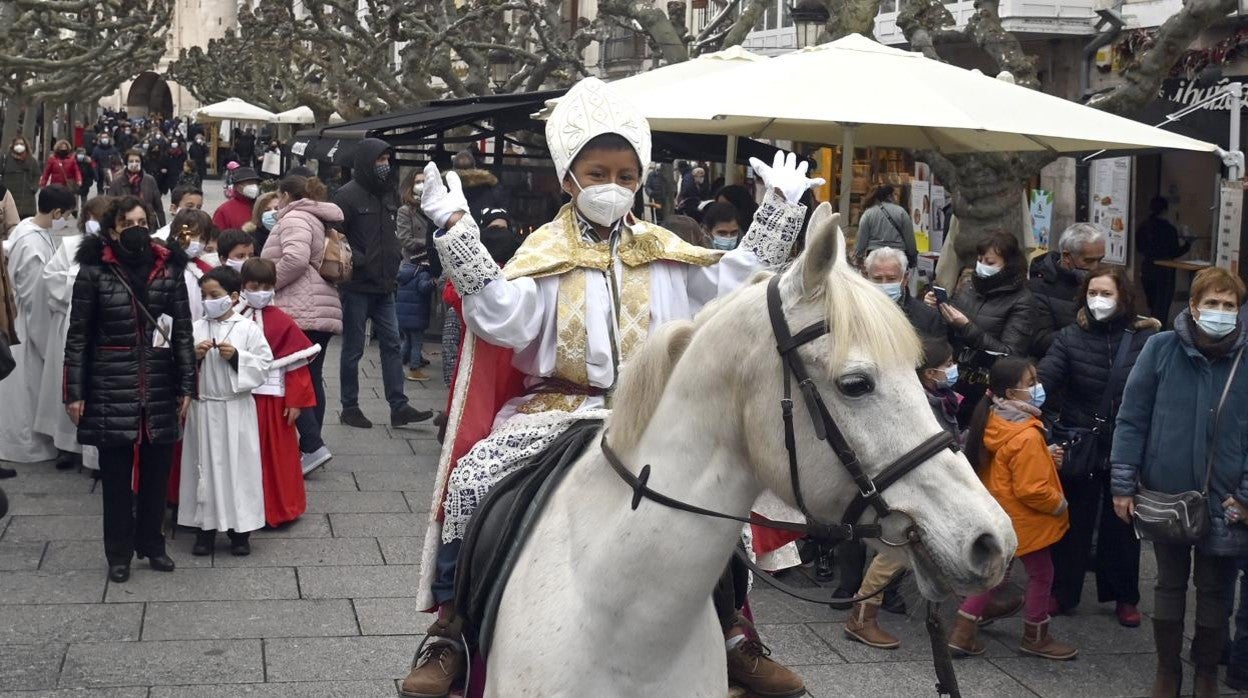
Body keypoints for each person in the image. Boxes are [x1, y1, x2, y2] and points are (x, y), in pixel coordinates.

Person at [401, 77, 816, 698]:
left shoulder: (667, 251)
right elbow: (498, 318)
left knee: (717, 496)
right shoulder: (543, 253)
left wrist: (779, 212)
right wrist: (458, 228)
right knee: (476, 478)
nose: (612, 187)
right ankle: (451, 628)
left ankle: (734, 631)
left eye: (626, 175)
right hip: (556, 409)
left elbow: (734, 291)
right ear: (569, 178)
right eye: (598, 172)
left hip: (654, 412)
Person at [1110, 266, 1248, 697]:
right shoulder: (1161, 348)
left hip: (1227, 500)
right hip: (1165, 494)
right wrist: (1122, 483)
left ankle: (1206, 670)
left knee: (1214, 591)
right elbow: (1131, 419)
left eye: (1229, 305)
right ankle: (1167, 670)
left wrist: (1246, 495)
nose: (1220, 312)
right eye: (1212, 303)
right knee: (1169, 584)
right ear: (1193, 306)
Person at [65, 195, 196, 583]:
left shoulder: (169, 270)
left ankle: (153, 544)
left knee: (157, 473)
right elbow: (78, 337)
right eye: (127, 223)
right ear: (112, 230)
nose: (136, 229)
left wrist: (187, 384)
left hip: (158, 382)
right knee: (117, 478)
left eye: (142, 221)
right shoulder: (94, 273)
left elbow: (183, 333)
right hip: (111, 383)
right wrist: (75, 392)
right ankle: (118, 553)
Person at [845, 336, 986, 649]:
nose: (953, 370)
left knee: (923, 550)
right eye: (947, 365)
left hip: (934, 488)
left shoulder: (944, 399)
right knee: (898, 553)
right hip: (918, 490)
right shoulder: (925, 404)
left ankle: (975, 601)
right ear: (928, 373)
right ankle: (862, 615)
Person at [1036, 265, 1157, 625]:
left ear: (1123, 298)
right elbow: (1047, 376)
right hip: (1082, 437)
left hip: (1127, 440)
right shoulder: (1070, 337)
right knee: (1074, 519)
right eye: (1092, 293)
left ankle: (1124, 596)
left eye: (1106, 294)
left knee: (1123, 520)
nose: (1098, 301)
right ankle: (1063, 592)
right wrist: (1022, 395)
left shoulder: (1143, 340)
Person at [946, 356, 1077, 661]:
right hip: (1024, 520)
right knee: (1042, 574)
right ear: (1008, 393)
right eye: (1030, 384)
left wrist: (1042, 455)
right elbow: (1031, 489)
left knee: (993, 573)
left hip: (999, 511)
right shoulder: (1027, 434)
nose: (1038, 388)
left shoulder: (992, 418)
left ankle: (962, 633)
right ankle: (1035, 636)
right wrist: (1059, 504)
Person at [332, 138, 431, 430]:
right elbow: (336, 238)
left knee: (390, 343)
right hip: (358, 285)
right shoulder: (346, 196)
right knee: (353, 349)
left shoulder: (387, 195)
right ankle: (349, 407)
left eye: (387, 160)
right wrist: (359, 260)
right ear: (366, 161)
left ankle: (398, 406)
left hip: (386, 284)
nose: (385, 165)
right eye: (379, 160)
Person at [180, 266, 273, 557]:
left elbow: (263, 365)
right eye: (204, 295)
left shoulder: (248, 329)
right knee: (203, 468)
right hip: (204, 407)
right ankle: (204, 530)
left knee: (238, 469)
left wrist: (237, 358)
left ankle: (240, 532)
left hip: (235, 409)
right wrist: (192, 357)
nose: (208, 300)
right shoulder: (196, 328)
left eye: (214, 295)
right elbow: (176, 365)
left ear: (233, 297)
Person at [260, 175, 343, 474]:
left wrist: (266, 286)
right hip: (320, 306)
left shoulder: (295, 217)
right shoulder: (315, 217)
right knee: (311, 377)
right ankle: (312, 445)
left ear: (285, 195)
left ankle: (311, 445)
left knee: (294, 377)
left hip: (302, 307)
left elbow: (295, 260)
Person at [237, 258, 318, 527]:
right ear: (243, 286)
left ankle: (279, 510)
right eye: (254, 285)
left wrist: (295, 401)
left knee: (277, 457)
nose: (260, 291)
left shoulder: (283, 321)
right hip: (240, 398)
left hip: (274, 401)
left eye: (265, 286)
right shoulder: (234, 318)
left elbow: (296, 365)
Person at [35, 195, 112, 473]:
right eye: (91, 218)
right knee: (67, 382)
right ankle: (65, 445)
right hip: (71, 323)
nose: (96, 224)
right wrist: (77, 279)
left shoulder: (116, 249)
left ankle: (98, 450)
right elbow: (51, 279)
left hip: (102, 326)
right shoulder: (70, 245)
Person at [0, 185, 76, 463]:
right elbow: (34, 296)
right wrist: (47, 342)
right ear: (56, 212)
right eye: (66, 216)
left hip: (17, 315)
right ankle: (26, 445)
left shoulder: (25, 228)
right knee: (26, 389)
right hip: (25, 323)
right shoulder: (33, 242)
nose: (65, 221)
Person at [926, 231, 1035, 423]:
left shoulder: (1022, 300)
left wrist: (967, 327)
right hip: (956, 379)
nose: (982, 266)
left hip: (987, 388)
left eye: (990, 262)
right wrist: (938, 309)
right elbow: (949, 330)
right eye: (980, 260)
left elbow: (1009, 353)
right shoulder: (970, 288)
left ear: (1008, 264)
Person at [1029, 223, 1106, 357]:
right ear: (1066, 257)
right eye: (1089, 261)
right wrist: (1087, 327)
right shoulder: (1038, 288)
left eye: (1100, 260)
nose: (1095, 267)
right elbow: (1040, 342)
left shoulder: (1103, 282)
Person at [863, 246, 944, 339]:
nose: (884, 284)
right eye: (877, 279)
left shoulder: (929, 318)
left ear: (905, 278)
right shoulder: (855, 313)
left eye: (891, 279)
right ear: (866, 277)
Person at [1136, 196, 1192, 327]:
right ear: (1165, 210)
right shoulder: (1168, 229)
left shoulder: (1143, 226)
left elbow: (1139, 248)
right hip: (1164, 273)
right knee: (1161, 308)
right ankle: (1158, 334)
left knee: (1151, 305)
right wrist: (1188, 244)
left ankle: (1148, 331)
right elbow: (1174, 252)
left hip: (1147, 269)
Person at [396, 222, 436, 382]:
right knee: (417, 343)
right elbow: (423, 288)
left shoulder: (405, 273)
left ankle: (396, 366)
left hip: (403, 318)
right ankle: (414, 369)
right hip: (417, 317)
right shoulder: (423, 273)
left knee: (406, 341)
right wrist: (433, 283)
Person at [855, 184, 917, 268]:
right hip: (898, 255)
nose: (896, 197)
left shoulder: (868, 213)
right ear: (889, 196)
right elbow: (909, 237)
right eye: (894, 194)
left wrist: (859, 256)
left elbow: (862, 237)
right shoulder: (901, 212)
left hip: (874, 255)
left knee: (875, 279)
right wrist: (913, 254)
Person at [107, 150, 165, 227]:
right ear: (126, 163)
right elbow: (110, 207)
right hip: (126, 224)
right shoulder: (116, 182)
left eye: (137, 161)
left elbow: (158, 206)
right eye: (131, 161)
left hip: (148, 223)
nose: (134, 163)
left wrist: (163, 226)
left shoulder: (149, 180)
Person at [451, 150, 505, 218]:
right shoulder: (490, 184)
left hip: (454, 226)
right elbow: (501, 208)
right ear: (474, 167)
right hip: (483, 225)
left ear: (453, 168)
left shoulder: (445, 186)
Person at [213, 167, 262, 231]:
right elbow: (215, 237)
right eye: (249, 183)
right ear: (237, 186)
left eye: (255, 183)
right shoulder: (224, 210)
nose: (254, 186)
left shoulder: (263, 205)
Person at [3, 136, 41, 218]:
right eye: (17, 144)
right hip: (9, 198)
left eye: (21, 144)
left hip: (27, 200)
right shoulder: (5, 159)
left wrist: (33, 187)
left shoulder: (31, 160)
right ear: (12, 145)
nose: (19, 146)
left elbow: (37, 175)